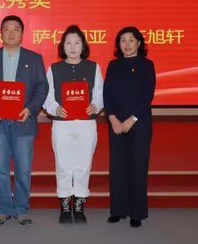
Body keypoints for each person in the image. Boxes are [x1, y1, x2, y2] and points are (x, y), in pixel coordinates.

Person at [0, 15, 48, 225]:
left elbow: (42, 87)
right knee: (0, 167)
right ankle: (3, 208)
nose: (11, 33)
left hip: (23, 119)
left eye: (16, 29)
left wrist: (30, 109)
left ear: (22, 33)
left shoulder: (34, 59)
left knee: (23, 167)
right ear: (1, 33)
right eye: (6, 29)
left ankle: (21, 208)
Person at [43, 24, 105, 224]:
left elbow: (100, 94)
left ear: (83, 46)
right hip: (62, 125)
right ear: (62, 46)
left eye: (77, 42)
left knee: (83, 164)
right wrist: (55, 109)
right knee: (63, 165)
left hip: (86, 124)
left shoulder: (93, 67)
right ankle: (64, 205)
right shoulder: (54, 69)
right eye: (68, 42)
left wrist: (95, 105)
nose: (72, 47)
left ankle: (79, 204)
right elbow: (47, 97)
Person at [104, 26, 155, 228]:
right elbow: (107, 93)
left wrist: (131, 119)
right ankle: (117, 210)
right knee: (117, 168)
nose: (126, 44)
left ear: (139, 43)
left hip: (139, 123)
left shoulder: (147, 65)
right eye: (123, 40)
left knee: (138, 167)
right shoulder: (113, 65)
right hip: (116, 124)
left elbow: (147, 95)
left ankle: (136, 213)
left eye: (131, 40)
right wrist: (113, 118)